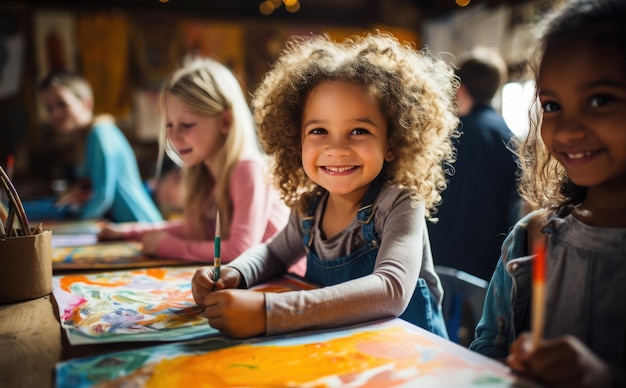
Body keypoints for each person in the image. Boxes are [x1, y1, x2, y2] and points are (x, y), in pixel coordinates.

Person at [191, 32, 460, 339]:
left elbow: (391, 289)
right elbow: (274, 254)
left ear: (392, 143)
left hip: (413, 356)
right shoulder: (309, 206)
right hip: (344, 348)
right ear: (297, 140)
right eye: (319, 130)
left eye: (359, 130)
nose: (337, 148)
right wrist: (235, 273)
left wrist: (271, 312)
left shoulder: (399, 203)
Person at [470, 0, 626, 386]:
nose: (568, 130)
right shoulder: (531, 237)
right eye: (552, 105)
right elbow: (488, 345)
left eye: (600, 100)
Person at [98, 57, 295, 267]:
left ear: (225, 122)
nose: (172, 137)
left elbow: (240, 249)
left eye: (187, 125)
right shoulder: (202, 173)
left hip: (284, 286)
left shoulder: (248, 169)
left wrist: (165, 246)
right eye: (169, 125)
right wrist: (128, 232)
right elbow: (193, 229)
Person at [428, 47, 521, 282]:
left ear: (459, 88)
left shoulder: (443, 136)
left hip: (440, 258)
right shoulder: (510, 138)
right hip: (490, 264)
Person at [38, 71, 163, 223]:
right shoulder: (86, 138)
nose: (55, 113)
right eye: (49, 108)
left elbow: (103, 195)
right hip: (122, 226)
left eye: (62, 104)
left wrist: (77, 223)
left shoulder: (101, 133)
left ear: (86, 103)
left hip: (139, 224)